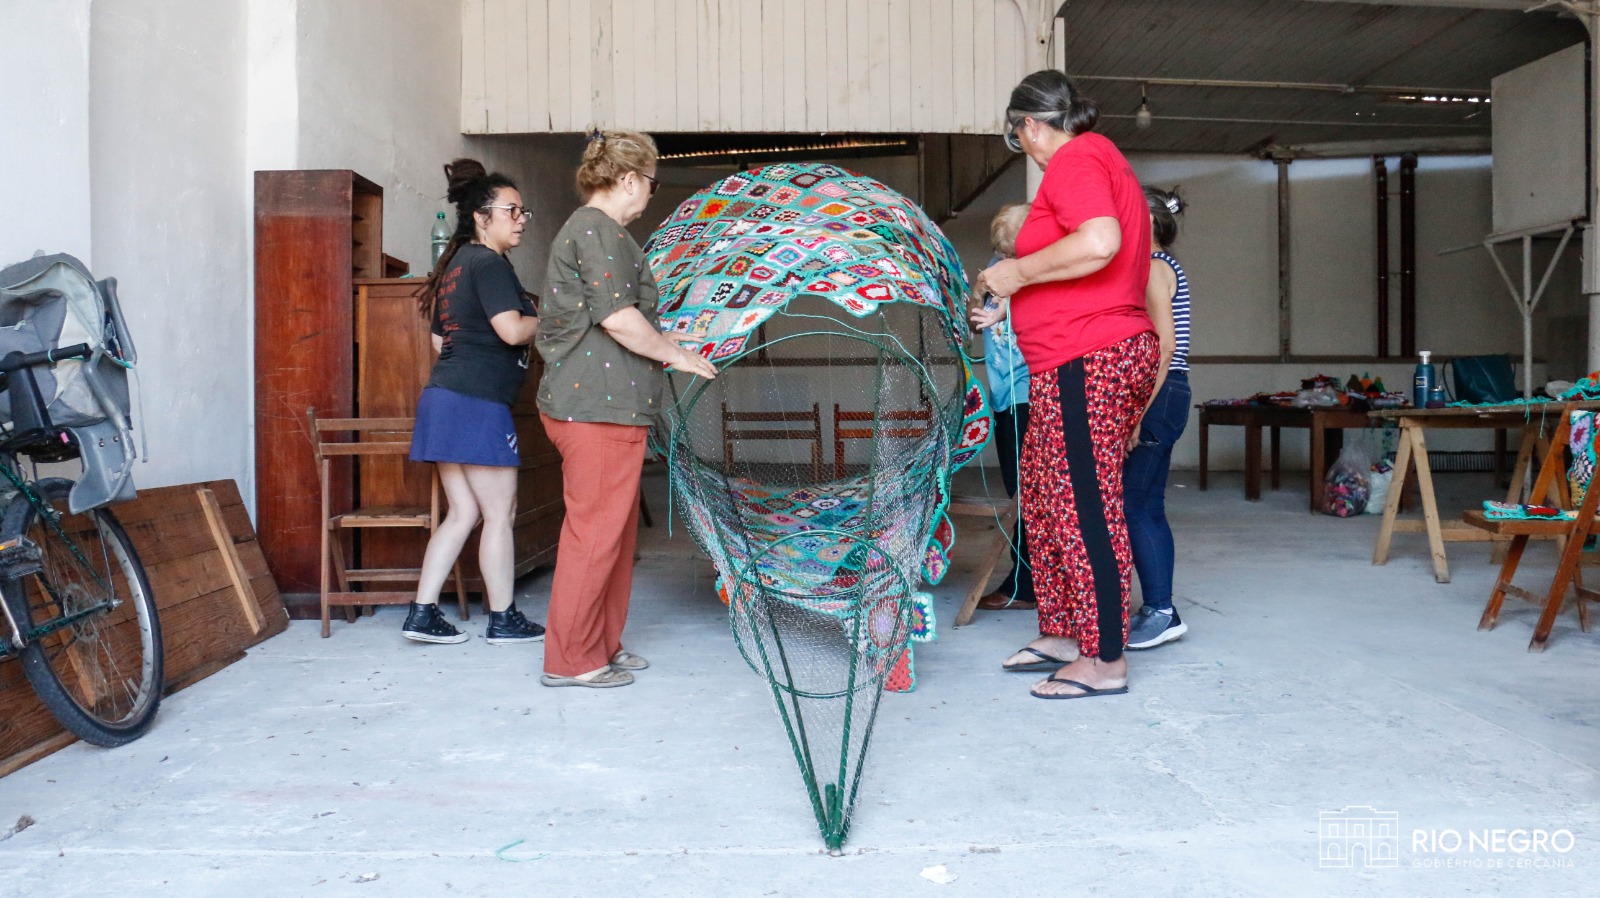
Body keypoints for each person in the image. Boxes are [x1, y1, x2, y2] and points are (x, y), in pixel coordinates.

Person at [972, 71, 1158, 700]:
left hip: (1090, 354)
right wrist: (1013, 298)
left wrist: (1017, 271)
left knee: (1084, 503)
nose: (1021, 145)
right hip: (1065, 358)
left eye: (1017, 135)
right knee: (1046, 495)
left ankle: (1105, 657)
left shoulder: (1078, 157)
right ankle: (1063, 631)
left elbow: (1099, 242)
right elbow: (1078, 257)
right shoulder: (1089, 163)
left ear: (1028, 125)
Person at [536, 129, 718, 688]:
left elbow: (612, 318)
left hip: (607, 405)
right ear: (630, 179)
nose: (649, 195)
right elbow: (617, 318)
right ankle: (571, 660)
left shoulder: (600, 232)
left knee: (613, 538)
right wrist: (676, 354)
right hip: (595, 407)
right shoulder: (597, 229)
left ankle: (602, 645)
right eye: (652, 184)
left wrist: (671, 341)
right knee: (595, 536)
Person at [404, 159, 545, 646]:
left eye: (523, 211)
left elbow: (440, 343)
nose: (521, 219)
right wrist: (552, 320)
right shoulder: (488, 264)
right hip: (477, 403)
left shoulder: (457, 266)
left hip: (444, 398)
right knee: (499, 513)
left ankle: (422, 613)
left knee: (463, 512)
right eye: (511, 211)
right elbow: (511, 330)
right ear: (482, 217)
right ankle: (503, 618)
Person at [1125, 186, 1193, 650]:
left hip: (1160, 393)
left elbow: (1164, 347)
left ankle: (1162, 611)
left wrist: (1137, 413)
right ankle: (1160, 608)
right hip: (1169, 393)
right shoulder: (1164, 265)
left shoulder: (1152, 267)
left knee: (1134, 505)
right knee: (1147, 504)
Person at [973, 203, 1037, 612]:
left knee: (1026, 494)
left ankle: (1025, 584)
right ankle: (1028, 580)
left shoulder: (1038, 273)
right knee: (1017, 490)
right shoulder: (997, 269)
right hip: (1003, 396)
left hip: (1029, 393)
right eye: (1003, 251)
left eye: (1014, 250)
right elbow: (974, 321)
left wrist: (1007, 307)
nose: (1007, 258)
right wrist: (978, 291)